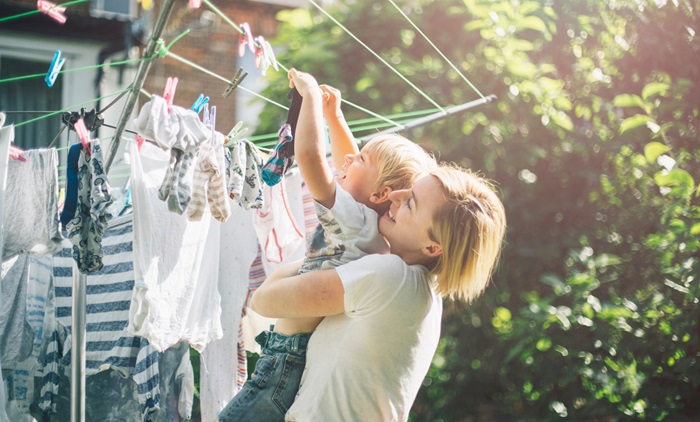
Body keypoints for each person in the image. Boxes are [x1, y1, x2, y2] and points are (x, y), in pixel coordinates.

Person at [218, 69, 437, 422]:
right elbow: (348, 161)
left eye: (361, 159)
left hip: (281, 361)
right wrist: (336, 118)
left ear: (381, 194)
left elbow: (310, 157)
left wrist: (312, 100)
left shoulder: (353, 219)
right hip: (293, 355)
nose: (347, 161)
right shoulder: (376, 230)